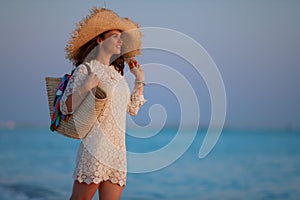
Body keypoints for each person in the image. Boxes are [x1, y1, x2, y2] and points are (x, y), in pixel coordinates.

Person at [60, 7, 146, 200]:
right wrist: (86, 86)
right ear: (100, 40)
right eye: (114, 36)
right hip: (95, 147)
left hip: (118, 153)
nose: (120, 40)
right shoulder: (86, 69)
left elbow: (132, 110)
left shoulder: (118, 77)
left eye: (121, 37)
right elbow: (66, 107)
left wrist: (139, 79)